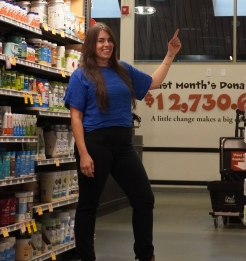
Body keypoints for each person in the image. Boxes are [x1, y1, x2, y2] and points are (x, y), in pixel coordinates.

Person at [64, 22, 181, 261]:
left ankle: (145, 255)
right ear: (91, 45)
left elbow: (153, 83)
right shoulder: (81, 74)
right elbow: (76, 117)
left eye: (109, 40)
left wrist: (170, 54)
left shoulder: (123, 69)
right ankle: (86, 257)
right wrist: (84, 153)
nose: (107, 45)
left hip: (123, 145)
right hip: (95, 144)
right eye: (101, 41)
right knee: (89, 204)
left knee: (144, 198)